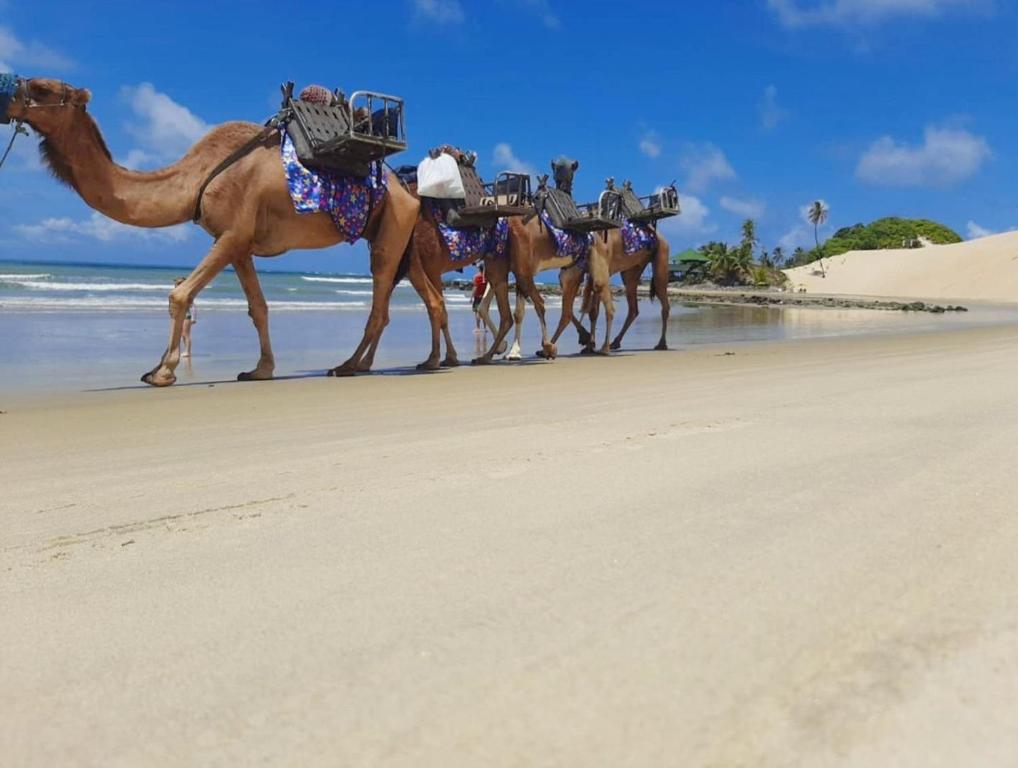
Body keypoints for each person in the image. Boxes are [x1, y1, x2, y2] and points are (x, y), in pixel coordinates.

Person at [174, 277, 197, 357]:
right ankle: (181, 350)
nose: (178, 285)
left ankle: (187, 351)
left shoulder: (187, 294)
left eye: (180, 283)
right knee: (180, 335)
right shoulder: (176, 293)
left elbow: (193, 306)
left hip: (186, 316)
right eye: (177, 283)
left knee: (185, 334)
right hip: (178, 316)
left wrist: (194, 318)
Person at [472, 263, 489, 334]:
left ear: (479, 269)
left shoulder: (476, 277)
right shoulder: (487, 277)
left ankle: (478, 328)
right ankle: (485, 328)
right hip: (485, 297)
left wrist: (471, 297)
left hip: (477, 297)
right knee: (485, 313)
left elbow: (475, 287)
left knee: (477, 313)